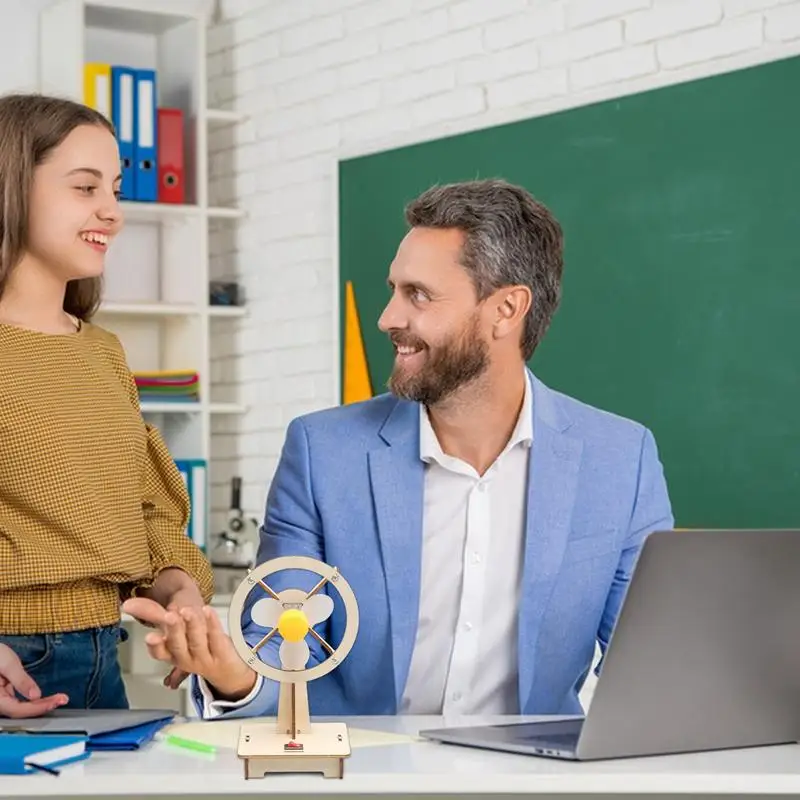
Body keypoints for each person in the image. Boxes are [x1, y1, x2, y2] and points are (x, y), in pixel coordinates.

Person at [125, 178, 673, 719]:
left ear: (506, 310)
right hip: (367, 775)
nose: (388, 318)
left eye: (418, 295)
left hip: (533, 777)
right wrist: (233, 672)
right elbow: (285, 639)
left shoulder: (620, 460)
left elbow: (653, 663)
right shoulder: (323, 453)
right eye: (393, 290)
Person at [0, 93, 214, 716]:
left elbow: (143, 507)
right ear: (11, 187)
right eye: (85, 187)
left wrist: (177, 590)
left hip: (105, 658)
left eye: (115, 190)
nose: (112, 213)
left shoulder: (102, 352)